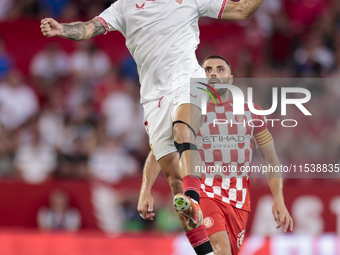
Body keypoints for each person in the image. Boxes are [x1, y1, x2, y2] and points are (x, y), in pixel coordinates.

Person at [40, 1, 266, 254]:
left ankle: (194, 197)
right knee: (173, 180)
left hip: (188, 82)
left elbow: (242, 9)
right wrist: (62, 29)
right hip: (153, 99)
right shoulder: (123, 7)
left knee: (183, 130)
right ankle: (205, 251)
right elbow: (90, 27)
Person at [138, 55, 293, 255]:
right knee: (221, 249)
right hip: (204, 192)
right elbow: (159, 151)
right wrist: (145, 190)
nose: (213, 73)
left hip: (239, 200)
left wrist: (278, 198)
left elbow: (270, 158)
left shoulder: (251, 111)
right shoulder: (188, 111)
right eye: (207, 70)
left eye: (220, 69)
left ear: (231, 79)